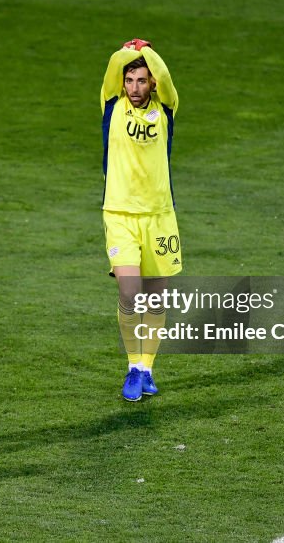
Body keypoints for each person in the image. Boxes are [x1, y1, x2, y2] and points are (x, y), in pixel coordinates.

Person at [101, 39, 182, 402]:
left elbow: (164, 74)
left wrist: (147, 51)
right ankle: (133, 364)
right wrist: (127, 50)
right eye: (130, 80)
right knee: (129, 291)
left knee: (157, 299)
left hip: (160, 217)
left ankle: (146, 368)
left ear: (152, 85)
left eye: (142, 81)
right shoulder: (111, 107)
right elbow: (111, 68)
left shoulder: (166, 110)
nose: (135, 87)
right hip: (119, 214)